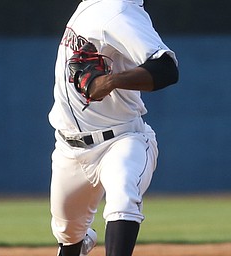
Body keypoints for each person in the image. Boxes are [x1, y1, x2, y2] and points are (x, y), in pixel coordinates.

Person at [48, 0, 179, 255]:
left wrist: (109, 81)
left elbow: (167, 68)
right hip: (69, 149)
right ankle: (82, 240)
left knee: (122, 199)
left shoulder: (120, 10)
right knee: (69, 237)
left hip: (120, 141)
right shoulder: (91, 5)